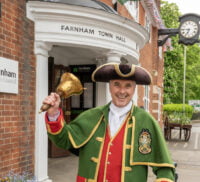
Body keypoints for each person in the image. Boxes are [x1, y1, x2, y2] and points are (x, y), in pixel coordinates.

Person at [43, 63, 175, 182]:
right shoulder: (91, 116)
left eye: (128, 86)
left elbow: (165, 168)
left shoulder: (146, 121)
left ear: (134, 89)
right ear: (110, 87)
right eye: (116, 84)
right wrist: (54, 114)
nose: (122, 91)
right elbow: (63, 140)